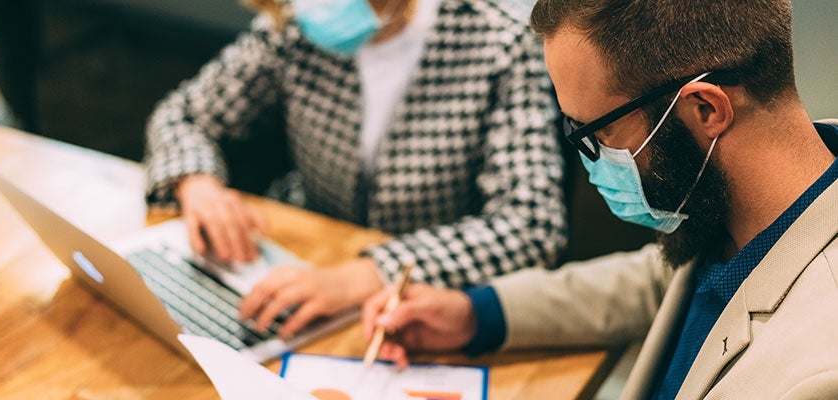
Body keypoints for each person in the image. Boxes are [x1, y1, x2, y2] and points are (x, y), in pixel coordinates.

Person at [362, 0, 838, 398]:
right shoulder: (755, 213)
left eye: (598, 131)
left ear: (706, 108)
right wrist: (475, 314)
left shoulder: (817, 374)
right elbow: (658, 282)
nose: (593, 166)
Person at [143, 0, 567, 338]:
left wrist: (372, 273)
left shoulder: (502, 42)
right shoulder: (293, 23)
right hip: (297, 260)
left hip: (424, 301)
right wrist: (196, 183)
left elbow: (532, 225)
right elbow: (182, 115)